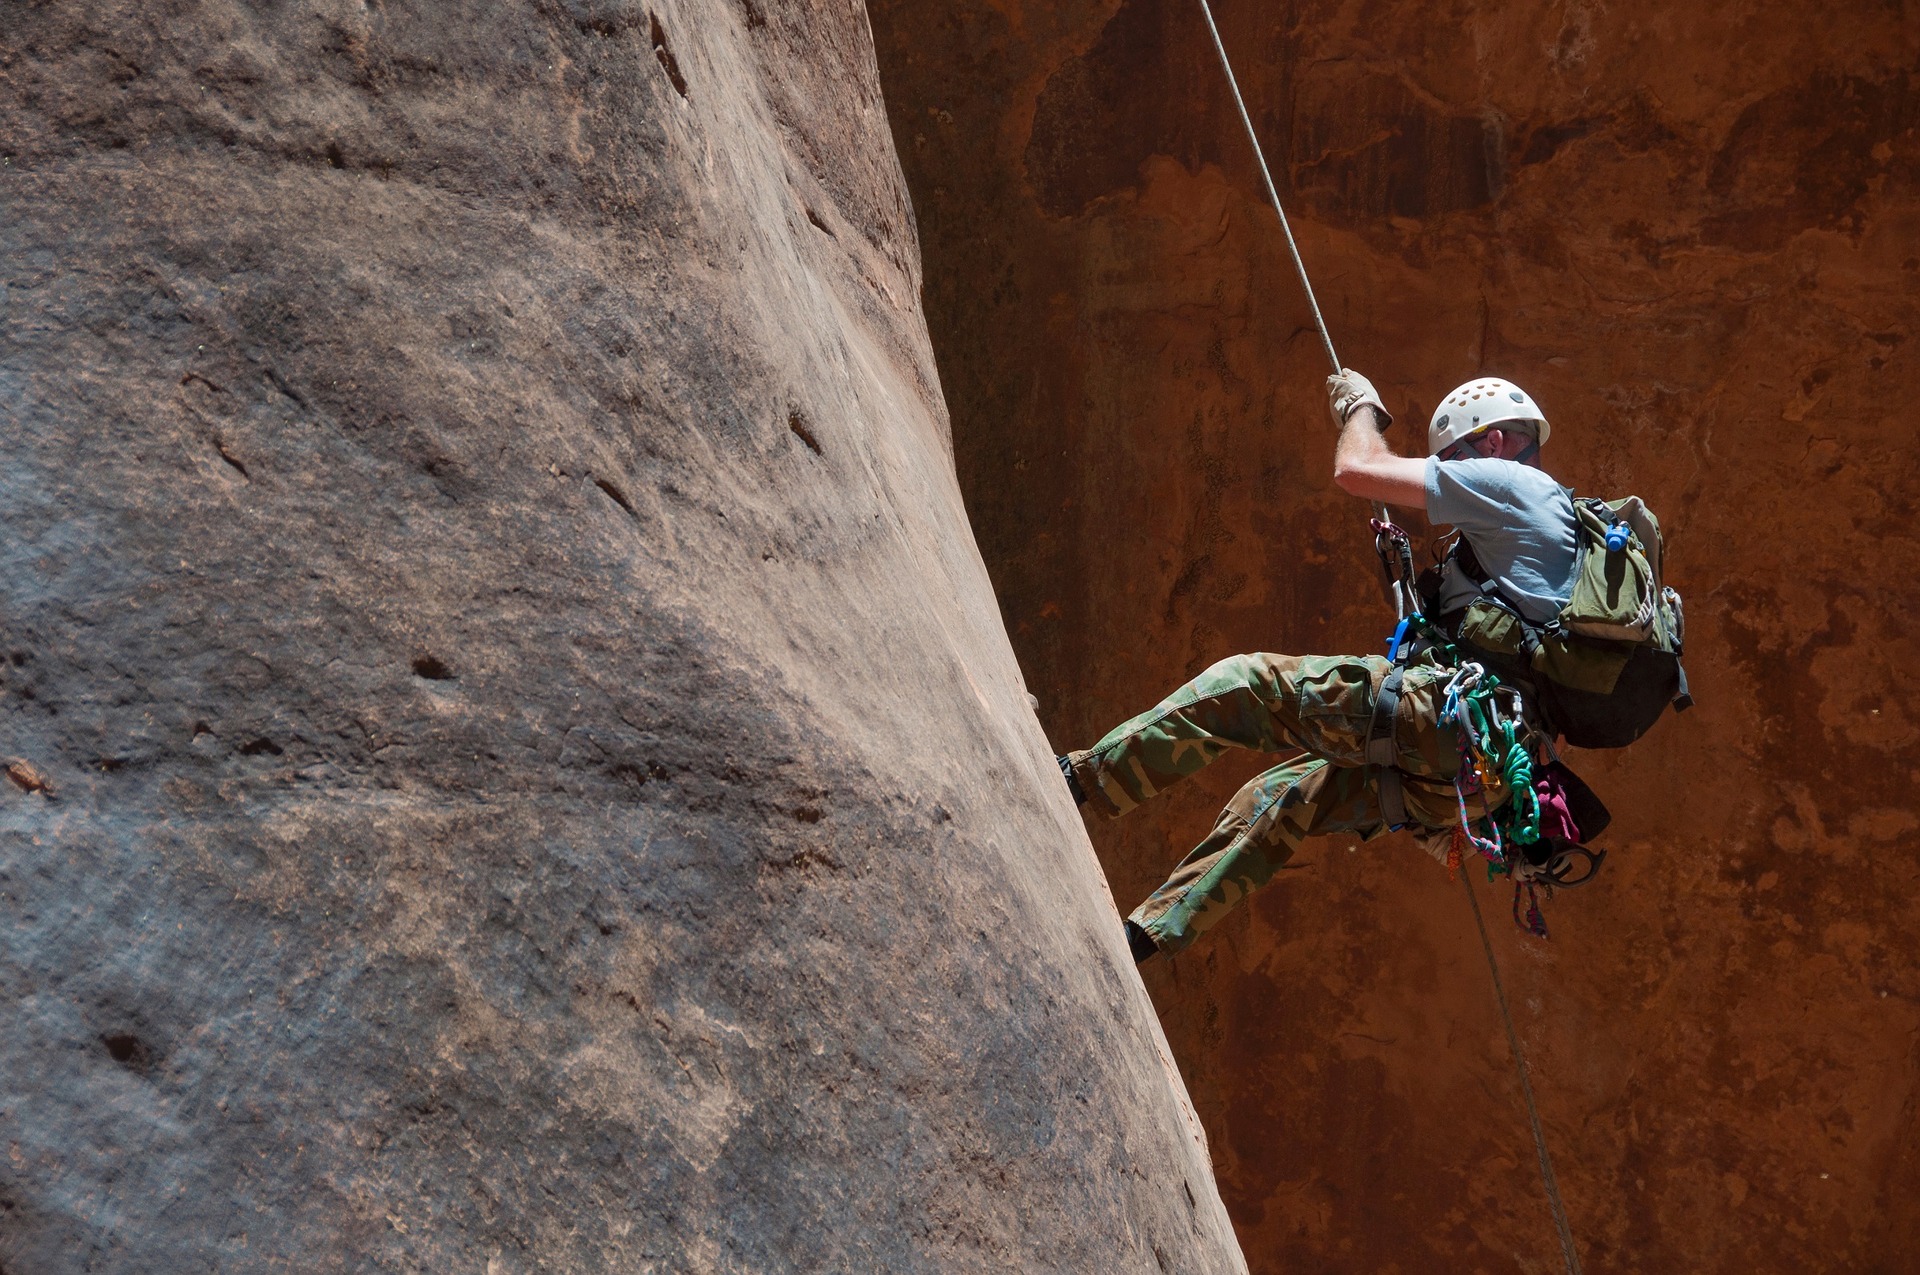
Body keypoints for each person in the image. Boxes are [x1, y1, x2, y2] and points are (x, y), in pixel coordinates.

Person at [1058, 371, 1583, 963]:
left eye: (1456, 458)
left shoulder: (1509, 481)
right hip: (1480, 778)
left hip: (1449, 725)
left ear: (1491, 444)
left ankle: (1075, 780)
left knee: (1248, 686)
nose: (1456, 471)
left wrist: (1362, 412)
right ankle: (1141, 941)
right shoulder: (1557, 531)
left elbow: (1356, 469)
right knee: (1285, 797)